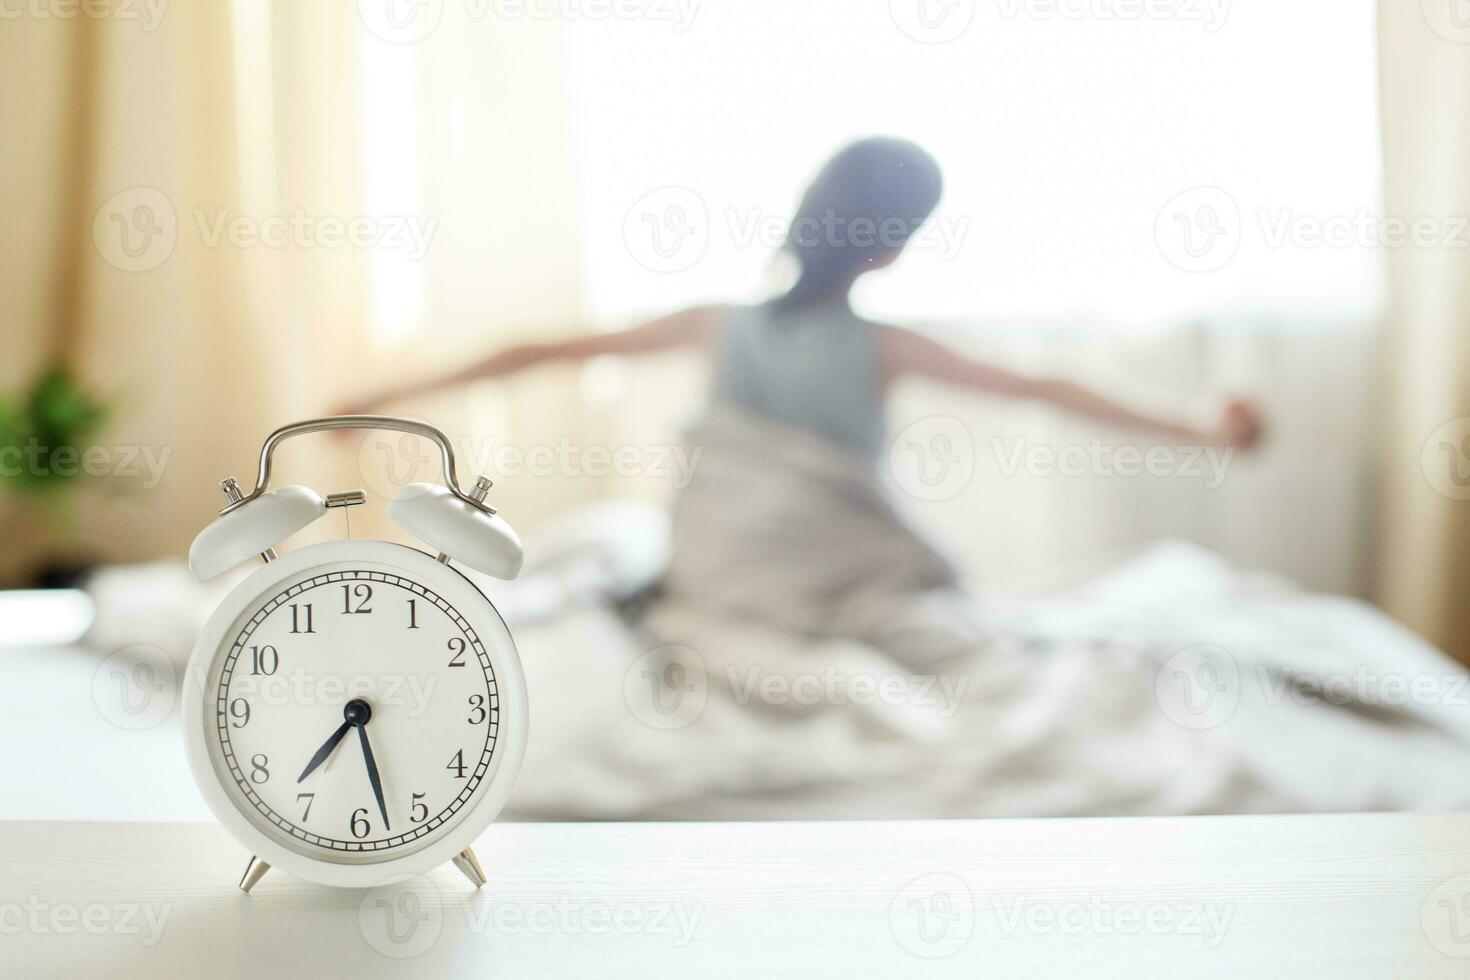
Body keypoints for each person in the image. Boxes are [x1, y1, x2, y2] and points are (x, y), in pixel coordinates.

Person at [342, 137, 1263, 644]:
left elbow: (537, 349)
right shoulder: (885, 345)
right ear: (891, 247)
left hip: (714, 576)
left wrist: (382, 395)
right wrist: (1202, 428)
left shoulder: (718, 322)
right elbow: (1047, 388)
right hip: (834, 577)